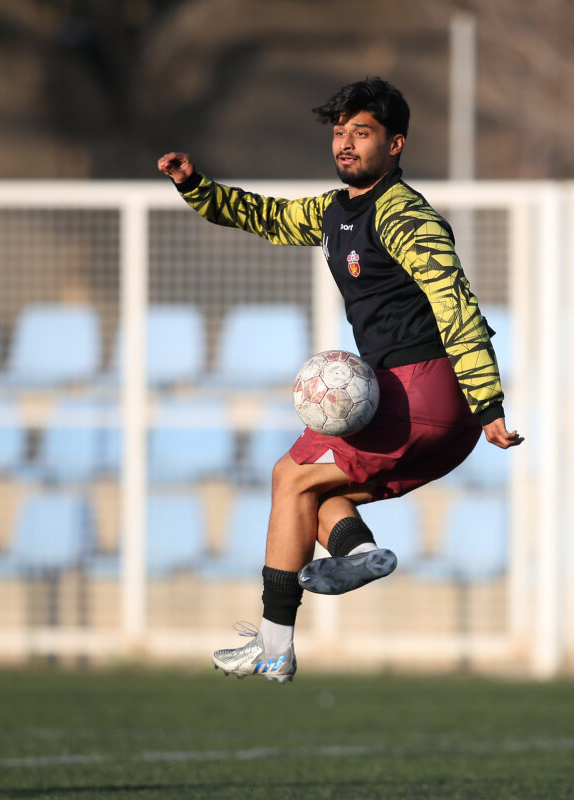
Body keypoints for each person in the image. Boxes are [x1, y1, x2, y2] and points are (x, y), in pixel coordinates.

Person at [158, 77, 523, 684]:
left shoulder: (405, 215)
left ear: (395, 143)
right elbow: (268, 217)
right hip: (435, 414)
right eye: (339, 132)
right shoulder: (333, 211)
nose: (346, 143)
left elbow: (455, 302)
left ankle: (274, 645)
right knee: (314, 496)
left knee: (288, 476)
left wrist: (489, 404)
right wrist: (196, 187)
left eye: (363, 132)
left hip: (422, 390)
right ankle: (357, 553)